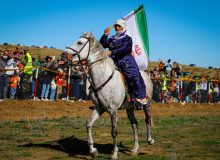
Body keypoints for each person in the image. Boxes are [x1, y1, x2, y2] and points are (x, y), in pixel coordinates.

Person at [100, 19, 147, 110]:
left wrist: (111, 52)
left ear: (124, 27)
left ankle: (139, 100)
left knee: (134, 77)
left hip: (126, 62)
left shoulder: (128, 38)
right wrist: (105, 35)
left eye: (119, 26)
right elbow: (103, 44)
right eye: (116, 26)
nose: (117, 28)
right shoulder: (112, 38)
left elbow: (124, 49)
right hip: (114, 61)